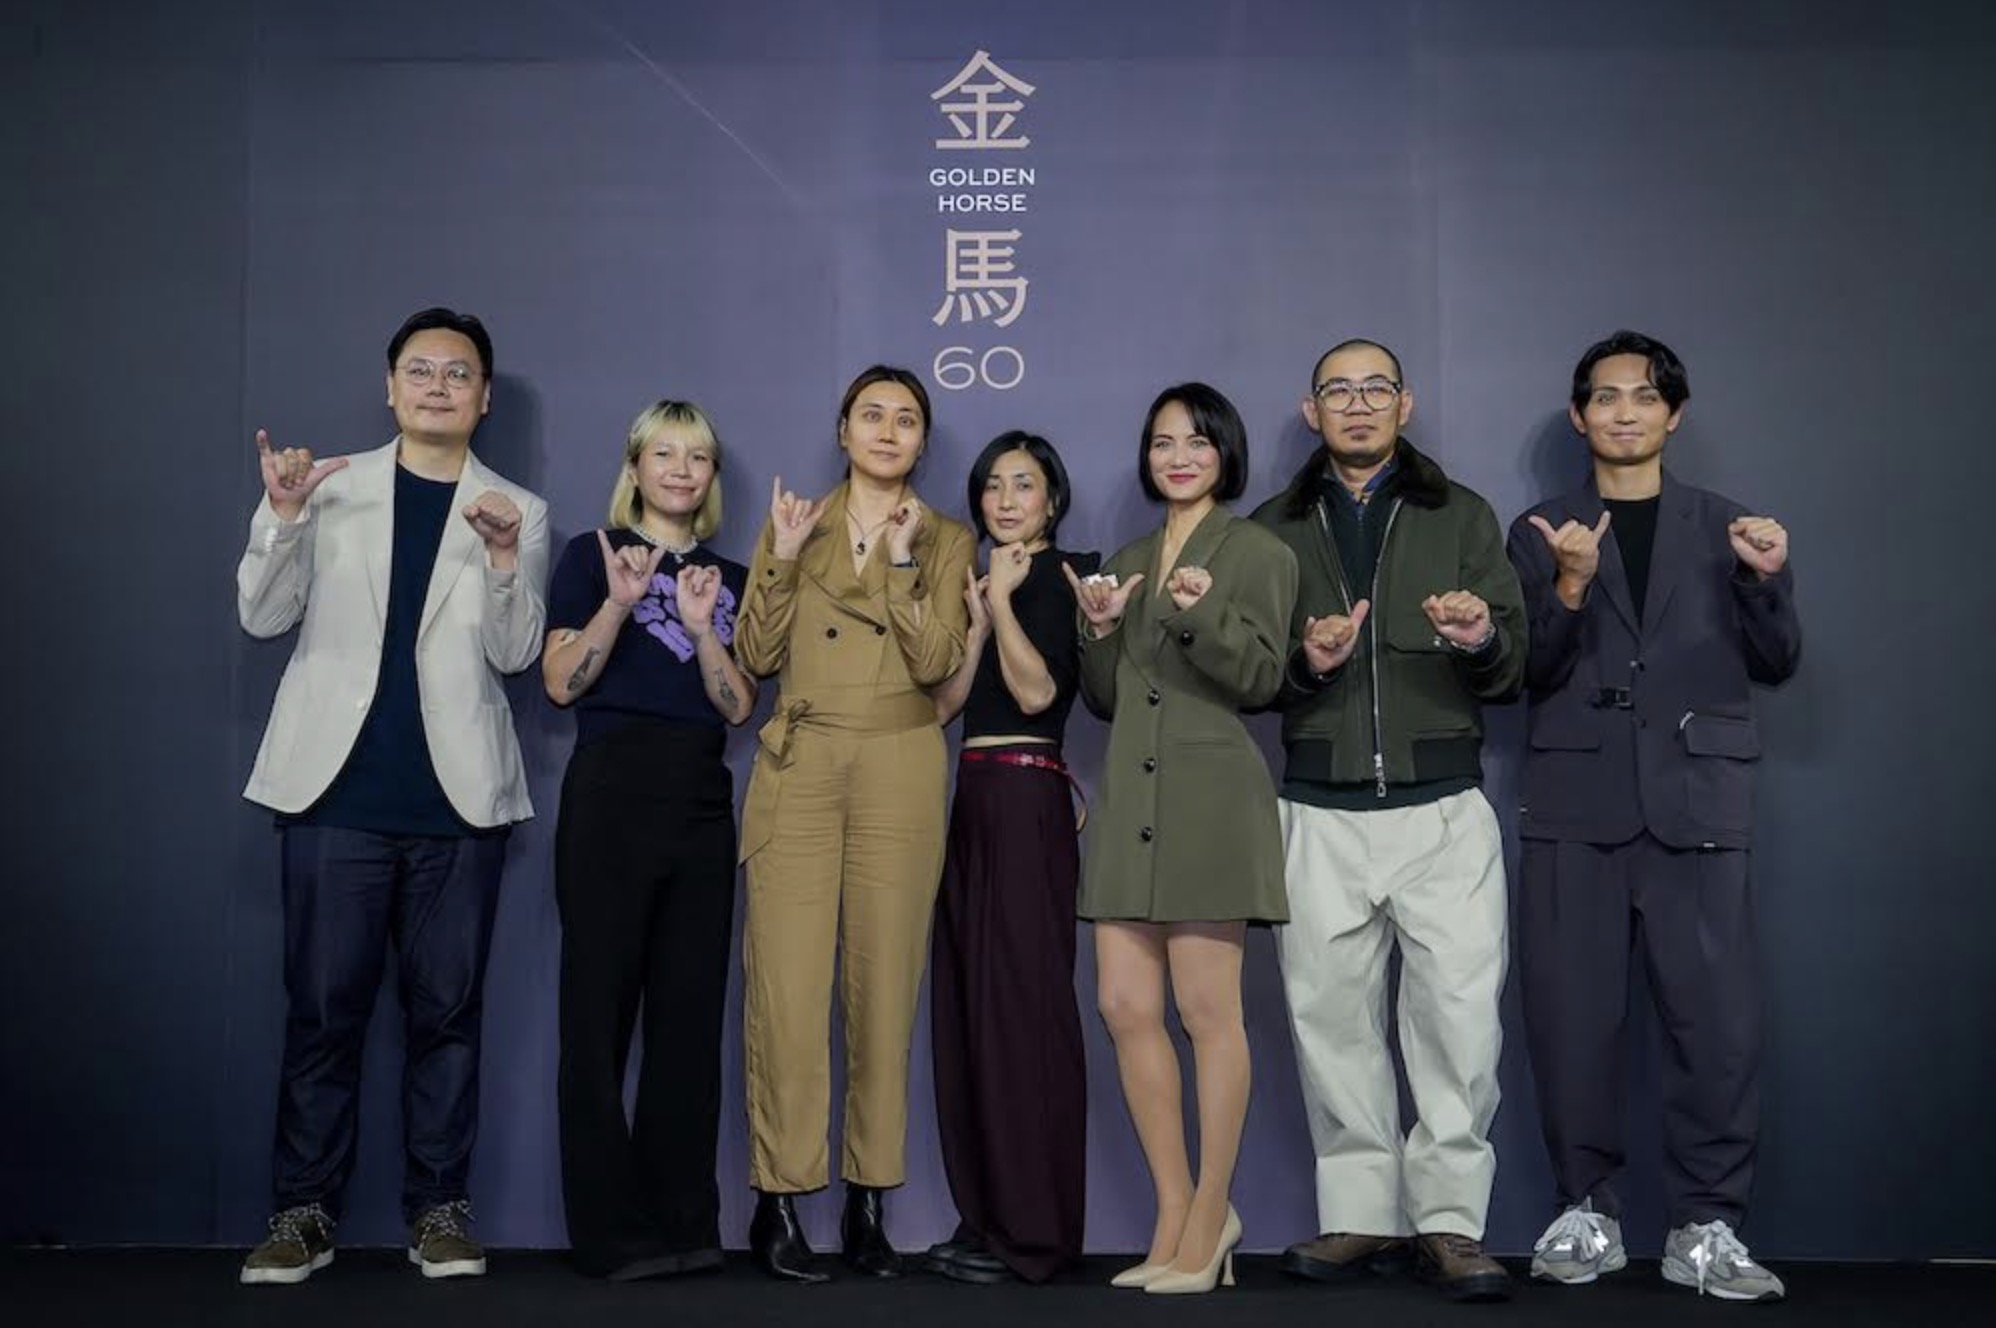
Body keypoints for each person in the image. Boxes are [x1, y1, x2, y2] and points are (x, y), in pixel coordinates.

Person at [235, 307, 548, 1284]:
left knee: (446, 1018)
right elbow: (261, 615)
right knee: (322, 1013)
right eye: (421, 369)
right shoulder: (326, 486)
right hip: (336, 795)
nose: (438, 385)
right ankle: (302, 1213)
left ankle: (439, 1211)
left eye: (459, 373)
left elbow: (517, 653)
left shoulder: (517, 508)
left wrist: (504, 560)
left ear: (484, 398)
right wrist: (283, 516)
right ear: (390, 386)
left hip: (459, 805)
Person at [1507, 330, 1800, 1302]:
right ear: (1580, 414)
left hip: (1697, 799)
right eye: (1605, 395)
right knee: (1570, 1022)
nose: (1624, 411)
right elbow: (1526, 670)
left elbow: (1778, 660)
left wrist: (1763, 579)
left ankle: (1707, 1225)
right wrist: (1569, 584)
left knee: (1717, 1027)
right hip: (1573, 803)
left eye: (1643, 395)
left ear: (1674, 414)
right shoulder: (1539, 528)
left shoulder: (1730, 526)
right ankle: (1584, 1211)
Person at [1251, 338, 1524, 1303]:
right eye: (1339, 390)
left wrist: (1479, 637)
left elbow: (1513, 660)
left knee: (1458, 1023)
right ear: (1312, 409)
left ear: (1405, 404)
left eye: (1376, 388)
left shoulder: (1463, 514)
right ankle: (1360, 1215)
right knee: (1328, 1022)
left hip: (1441, 805)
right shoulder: (1272, 528)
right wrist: (1307, 663)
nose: (1358, 403)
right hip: (1317, 806)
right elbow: (1249, 670)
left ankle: (1451, 1223)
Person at [733, 365, 976, 1282]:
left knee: (885, 989)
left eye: (906, 419)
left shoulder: (946, 539)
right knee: (787, 990)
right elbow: (755, 654)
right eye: (871, 414)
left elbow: (939, 660)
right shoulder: (796, 520)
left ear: (922, 442)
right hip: (801, 760)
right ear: (843, 431)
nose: (887, 430)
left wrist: (905, 562)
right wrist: (784, 556)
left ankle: (869, 1201)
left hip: (900, 762)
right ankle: (779, 1200)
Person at [1066, 383, 1297, 1296]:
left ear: (1224, 453)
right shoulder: (1125, 560)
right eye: (1163, 442)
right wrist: (1097, 632)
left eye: (1197, 442)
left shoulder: (1260, 551)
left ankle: (1212, 1213)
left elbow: (1263, 678)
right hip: (1131, 791)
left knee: (1208, 1013)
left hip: (1210, 795)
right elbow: (1107, 697)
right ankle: (1171, 1211)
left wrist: (1200, 613)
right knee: (1124, 1006)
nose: (1179, 457)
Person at [541, 400, 756, 1280]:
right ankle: (609, 1231)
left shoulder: (732, 576)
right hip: (610, 793)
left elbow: (738, 705)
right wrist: (619, 606)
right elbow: (561, 684)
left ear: (711, 476)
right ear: (634, 467)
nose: (680, 470)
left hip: (700, 800)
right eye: (663, 453)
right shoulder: (590, 555)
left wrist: (703, 630)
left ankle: (683, 1220)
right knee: (597, 1019)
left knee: (688, 1017)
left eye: (696, 457)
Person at [924, 431, 1096, 1285]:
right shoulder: (974, 578)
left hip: (1030, 794)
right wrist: (980, 620)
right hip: (970, 797)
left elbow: (1037, 693)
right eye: (993, 486)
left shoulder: (1068, 576)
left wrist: (1004, 601)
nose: (1005, 500)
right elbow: (945, 705)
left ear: (1051, 499)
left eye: (1023, 485)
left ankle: (1038, 1234)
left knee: (1026, 1013)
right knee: (969, 1015)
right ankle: (985, 1219)